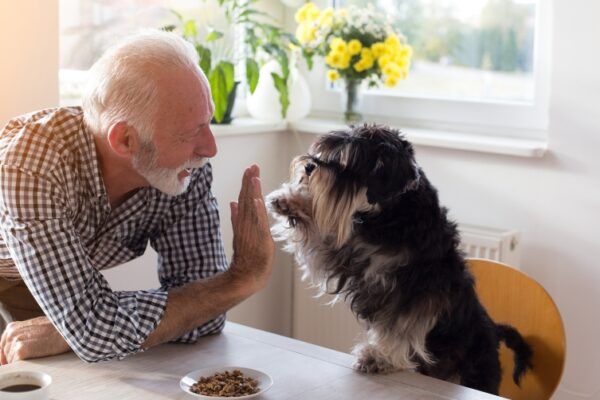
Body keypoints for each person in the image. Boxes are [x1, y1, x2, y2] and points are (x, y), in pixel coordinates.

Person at [0, 30, 275, 364]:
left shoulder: (186, 170)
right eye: (189, 133)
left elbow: (208, 314)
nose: (209, 148)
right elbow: (95, 331)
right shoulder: (32, 164)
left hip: (45, 274)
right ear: (125, 140)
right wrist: (241, 278)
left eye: (208, 121)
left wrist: (78, 328)